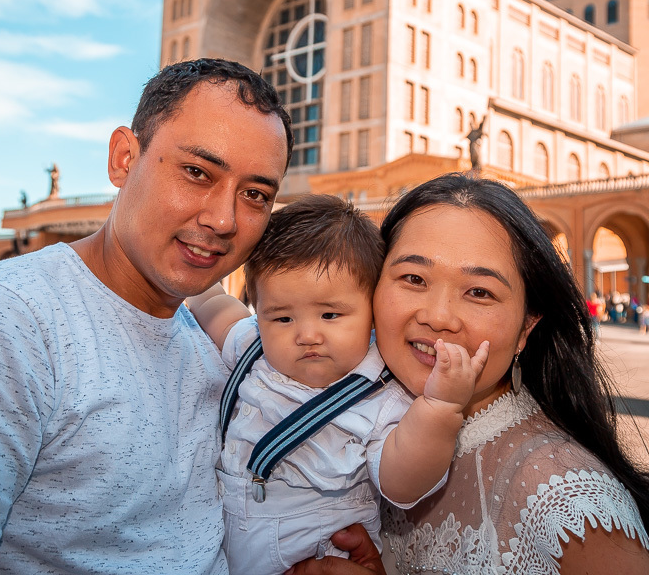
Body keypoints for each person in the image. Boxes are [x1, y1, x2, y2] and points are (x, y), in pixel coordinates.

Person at [0, 59, 294, 574]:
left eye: (255, 195)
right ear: (123, 158)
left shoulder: (202, 345)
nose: (223, 219)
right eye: (197, 172)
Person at [293, 174, 649, 574]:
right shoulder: (354, 418)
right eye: (413, 279)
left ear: (527, 327)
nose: (437, 317)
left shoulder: (570, 506)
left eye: (479, 292)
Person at [187, 195, 487, 574]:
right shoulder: (253, 345)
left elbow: (402, 484)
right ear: (259, 312)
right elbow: (215, 306)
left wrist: (441, 409)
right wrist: (193, 277)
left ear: (373, 311)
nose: (307, 334)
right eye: (282, 319)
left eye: (330, 314)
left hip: (320, 556)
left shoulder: (384, 396)